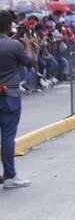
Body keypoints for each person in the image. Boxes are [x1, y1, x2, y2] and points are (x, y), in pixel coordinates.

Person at [1, 10, 35, 188]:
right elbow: (30, 62)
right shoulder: (14, 46)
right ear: (8, 26)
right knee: (7, 136)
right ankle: (9, 176)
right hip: (9, 94)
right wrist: (27, 44)